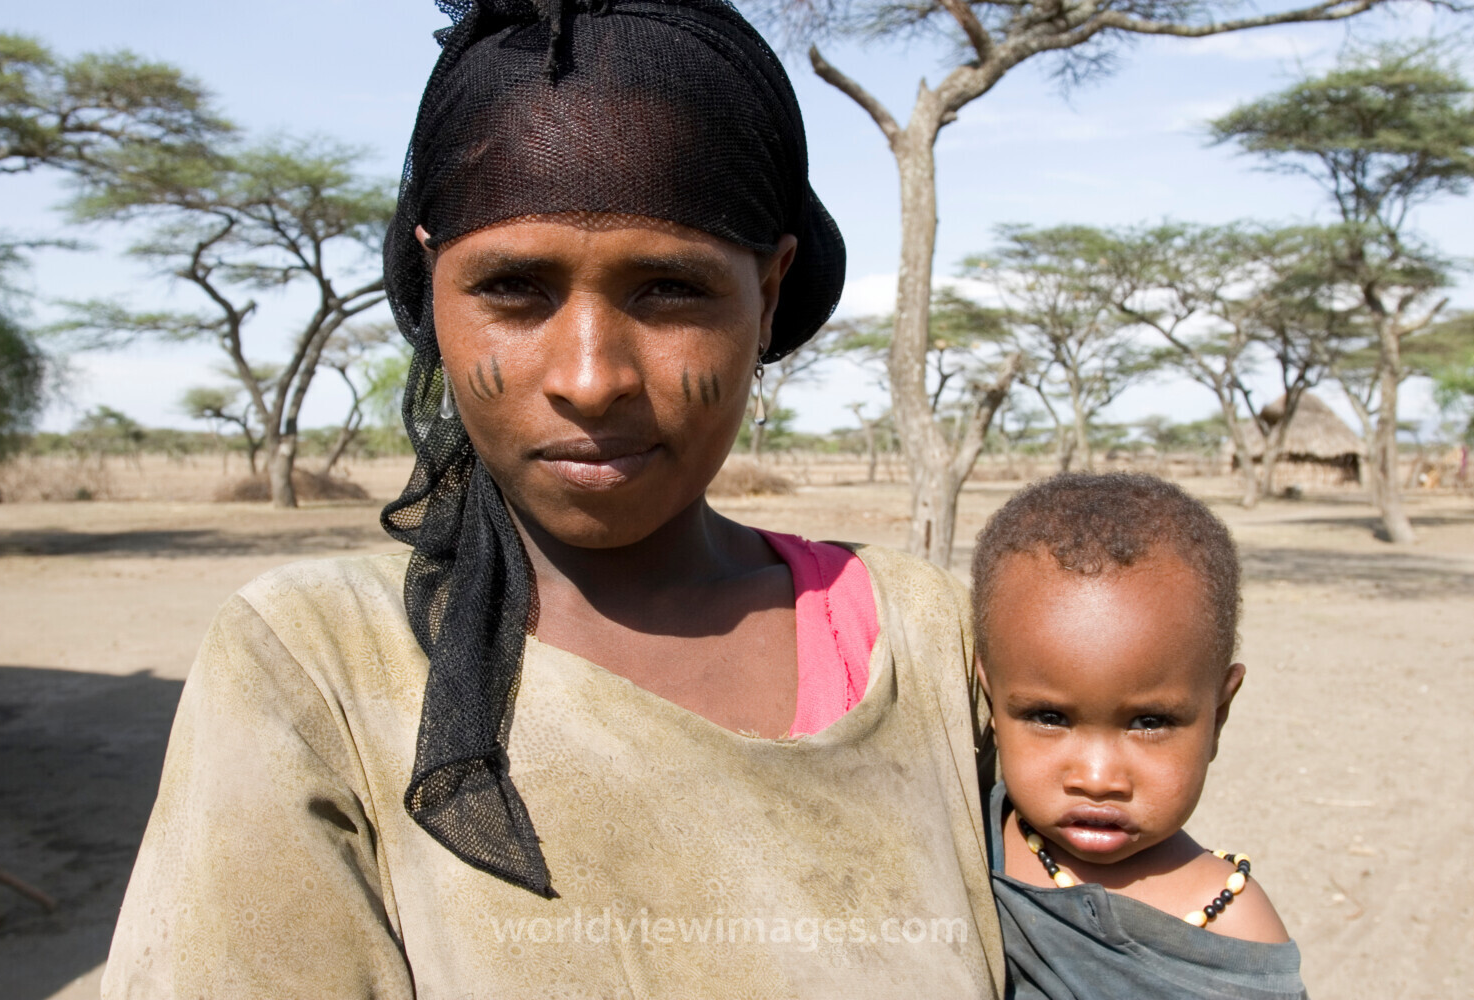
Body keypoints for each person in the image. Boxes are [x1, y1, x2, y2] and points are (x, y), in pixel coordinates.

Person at [101, 0, 1006, 995]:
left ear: (771, 292)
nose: (589, 376)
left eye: (668, 289)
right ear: (432, 286)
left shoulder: (920, 636)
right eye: (514, 288)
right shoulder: (314, 665)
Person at [970, 472, 1308, 1000]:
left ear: (1218, 716)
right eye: (1048, 717)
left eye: (1149, 723)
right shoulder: (965, 843)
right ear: (993, 702)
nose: (1098, 779)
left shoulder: (1234, 929)